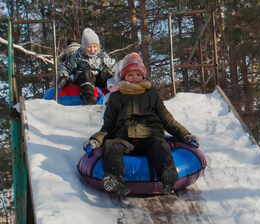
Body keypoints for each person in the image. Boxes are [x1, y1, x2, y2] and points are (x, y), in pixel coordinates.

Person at [83, 53, 198, 196]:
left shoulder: (151, 94)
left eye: (138, 74)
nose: (134, 78)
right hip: (125, 138)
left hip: (150, 136)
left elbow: (167, 120)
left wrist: (185, 134)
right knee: (112, 146)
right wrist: (96, 139)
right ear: (124, 77)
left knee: (161, 146)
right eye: (130, 75)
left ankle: (168, 179)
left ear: (143, 76)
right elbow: (108, 126)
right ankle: (113, 180)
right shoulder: (116, 97)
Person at [58, 28, 116, 104]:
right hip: (84, 80)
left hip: (98, 80)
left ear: (98, 47)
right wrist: (63, 76)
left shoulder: (102, 56)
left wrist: (115, 73)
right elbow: (66, 67)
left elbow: (112, 65)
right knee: (86, 74)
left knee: (106, 73)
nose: (92, 49)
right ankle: (89, 98)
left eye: (95, 47)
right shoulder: (78, 56)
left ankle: (113, 95)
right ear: (84, 47)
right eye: (89, 47)